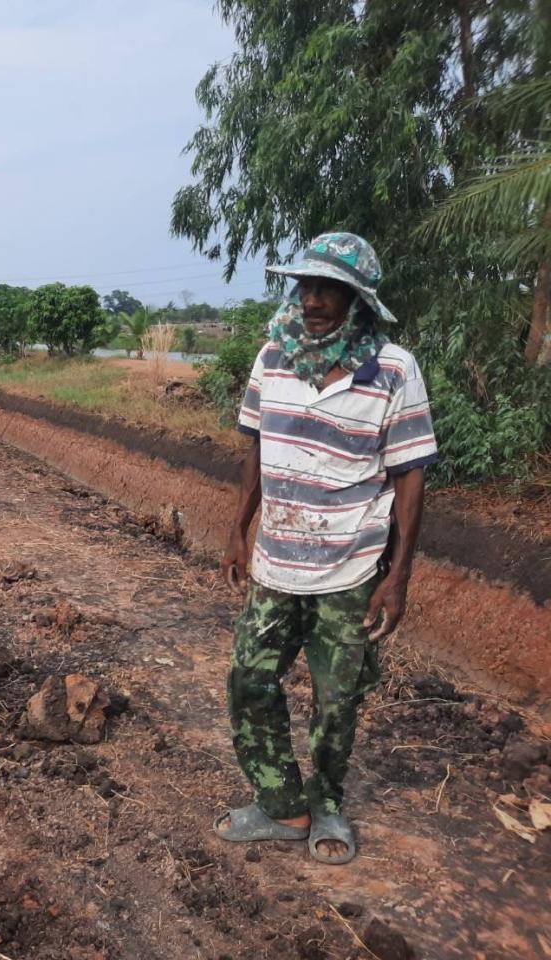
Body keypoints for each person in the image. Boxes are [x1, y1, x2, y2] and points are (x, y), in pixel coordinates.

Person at [215, 233, 438, 864]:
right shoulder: (272, 357)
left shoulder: (393, 369)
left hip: (351, 565)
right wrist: (239, 526)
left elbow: (410, 474)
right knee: (250, 680)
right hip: (276, 562)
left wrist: (398, 577)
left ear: (357, 298)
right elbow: (255, 444)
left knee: (337, 699)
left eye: (328, 289)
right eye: (305, 286)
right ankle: (284, 806)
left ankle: (329, 807)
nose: (312, 300)